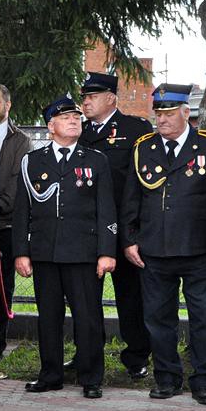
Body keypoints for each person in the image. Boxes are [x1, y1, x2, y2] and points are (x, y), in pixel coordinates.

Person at [120, 83, 206, 405]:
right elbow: (131, 197)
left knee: (204, 318)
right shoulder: (143, 147)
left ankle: (204, 381)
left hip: (200, 250)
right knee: (158, 319)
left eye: (169, 114)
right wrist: (129, 240)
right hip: (154, 250)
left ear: (186, 113)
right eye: (158, 114)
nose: (162, 120)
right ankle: (167, 378)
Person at [13, 95, 116, 398]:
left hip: (83, 253)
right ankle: (50, 374)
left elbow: (106, 209)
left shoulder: (95, 160)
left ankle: (91, 377)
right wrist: (21, 251)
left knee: (88, 317)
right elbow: (23, 210)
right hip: (45, 252)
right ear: (51, 126)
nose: (74, 120)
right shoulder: (33, 161)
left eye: (76, 117)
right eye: (66, 117)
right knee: (48, 316)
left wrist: (106, 251)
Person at [77, 71, 153, 379]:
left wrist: (135, 229)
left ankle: (136, 355)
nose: (86, 102)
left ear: (110, 99)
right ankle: (87, 354)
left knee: (130, 296)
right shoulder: (77, 132)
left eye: (92, 97)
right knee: (84, 297)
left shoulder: (135, 129)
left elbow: (144, 182)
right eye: (84, 97)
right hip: (86, 229)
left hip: (123, 227)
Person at [0, 82, 32, 363]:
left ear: (7, 105)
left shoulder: (20, 140)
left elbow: (15, 188)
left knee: (2, 290)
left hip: (6, 227)